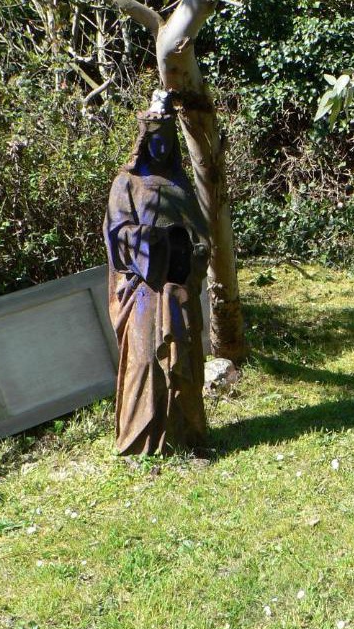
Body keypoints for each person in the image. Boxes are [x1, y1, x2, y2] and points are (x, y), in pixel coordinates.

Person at [103, 91, 209, 455]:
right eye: (154, 141)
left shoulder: (181, 185)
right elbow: (117, 233)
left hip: (177, 286)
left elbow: (202, 234)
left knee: (183, 357)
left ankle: (183, 438)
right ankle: (139, 441)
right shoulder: (126, 184)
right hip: (143, 288)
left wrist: (190, 252)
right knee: (146, 360)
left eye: (166, 141)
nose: (161, 148)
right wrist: (153, 243)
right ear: (143, 143)